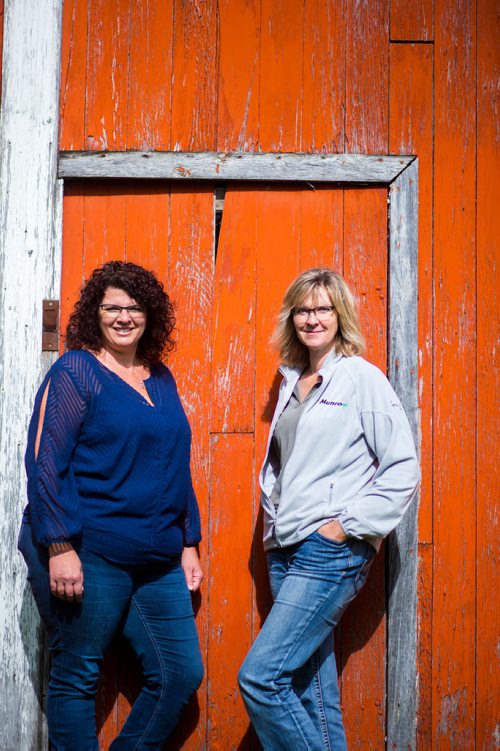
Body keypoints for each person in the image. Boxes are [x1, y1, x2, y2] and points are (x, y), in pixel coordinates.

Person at [19, 260, 204, 750]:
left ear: (151, 315)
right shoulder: (77, 370)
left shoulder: (160, 377)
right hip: (90, 548)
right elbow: (45, 461)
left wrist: (189, 541)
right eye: (112, 307)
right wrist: (58, 544)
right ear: (94, 314)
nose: (123, 317)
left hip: (158, 557)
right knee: (77, 675)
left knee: (180, 674)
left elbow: (174, 464)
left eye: (134, 307)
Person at [238, 268, 420, 750]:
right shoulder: (291, 381)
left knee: (260, 679)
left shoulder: (360, 377)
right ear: (291, 316)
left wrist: (345, 528)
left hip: (327, 552)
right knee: (313, 693)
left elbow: (402, 468)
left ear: (340, 316)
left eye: (323, 309)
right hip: (286, 549)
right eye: (303, 309)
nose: (312, 318)